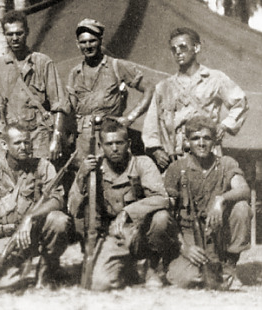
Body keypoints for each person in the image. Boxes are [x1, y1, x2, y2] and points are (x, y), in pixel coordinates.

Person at [68, 119, 174, 290]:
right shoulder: (93, 169)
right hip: (112, 235)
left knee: (161, 218)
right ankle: (128, 268)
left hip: (140, 231)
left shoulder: (142, 163)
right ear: (101, 146)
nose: (115, 148)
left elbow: (162, 198)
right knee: (101, 284)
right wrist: (81, 177)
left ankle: (151, 266)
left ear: (128, 143)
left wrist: (127, 211)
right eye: (109, 144)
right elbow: (73, 209)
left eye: (119, 142)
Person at [0, 124, 70, 290]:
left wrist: (30, 217)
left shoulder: (43, 167)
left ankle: (46, 270)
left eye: (27, 142)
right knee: (1, 284)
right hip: (4, 241)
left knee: (59, 220)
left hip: (33, 236)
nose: (24, 147)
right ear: (5, 145)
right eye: (17, 143)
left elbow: (57, 199)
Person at [142, 27, 248, 171]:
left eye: (183, 47)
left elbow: (240, 102)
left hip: (208, 153)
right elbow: (151, 122)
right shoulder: (164, 87)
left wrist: (224, 126)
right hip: (176, 156)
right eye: (174, 49)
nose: (178, 52)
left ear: (196, 47)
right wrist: (156, 149)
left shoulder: (215, 79)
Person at [164, 116, 251, 289]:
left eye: (207, 138)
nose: (201, 143)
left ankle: (229, 267)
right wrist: (183, 247)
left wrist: (221, 200)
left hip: (217, 231)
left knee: (242, 208)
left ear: (215, 141)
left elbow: (244, 189)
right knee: (185, 279)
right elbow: (167, 212)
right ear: (187, 141)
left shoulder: (226, 163)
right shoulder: (177, 168)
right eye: (196, 138)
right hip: (189, 233)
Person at [0, 10, 68, 160]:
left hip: (38, 137)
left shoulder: (43, 62)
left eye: (19, 33)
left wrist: (56, 138)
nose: (14, 38)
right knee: (7, 180)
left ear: (27, 32)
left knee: (41, 180)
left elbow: (59, 104)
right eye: (9, 34)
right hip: (8, 137)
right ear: (4, 35)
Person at [67, 18, 155, 166]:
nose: (88, 46)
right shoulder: (74, 73)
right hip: (83, 139)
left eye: (92, 41)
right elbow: (70, 108)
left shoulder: (116, 66)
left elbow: (149, 88)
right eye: (83, 42)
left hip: (110, 137)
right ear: (77, 44)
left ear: (100, 41)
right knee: (84, 182)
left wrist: (130, 118)